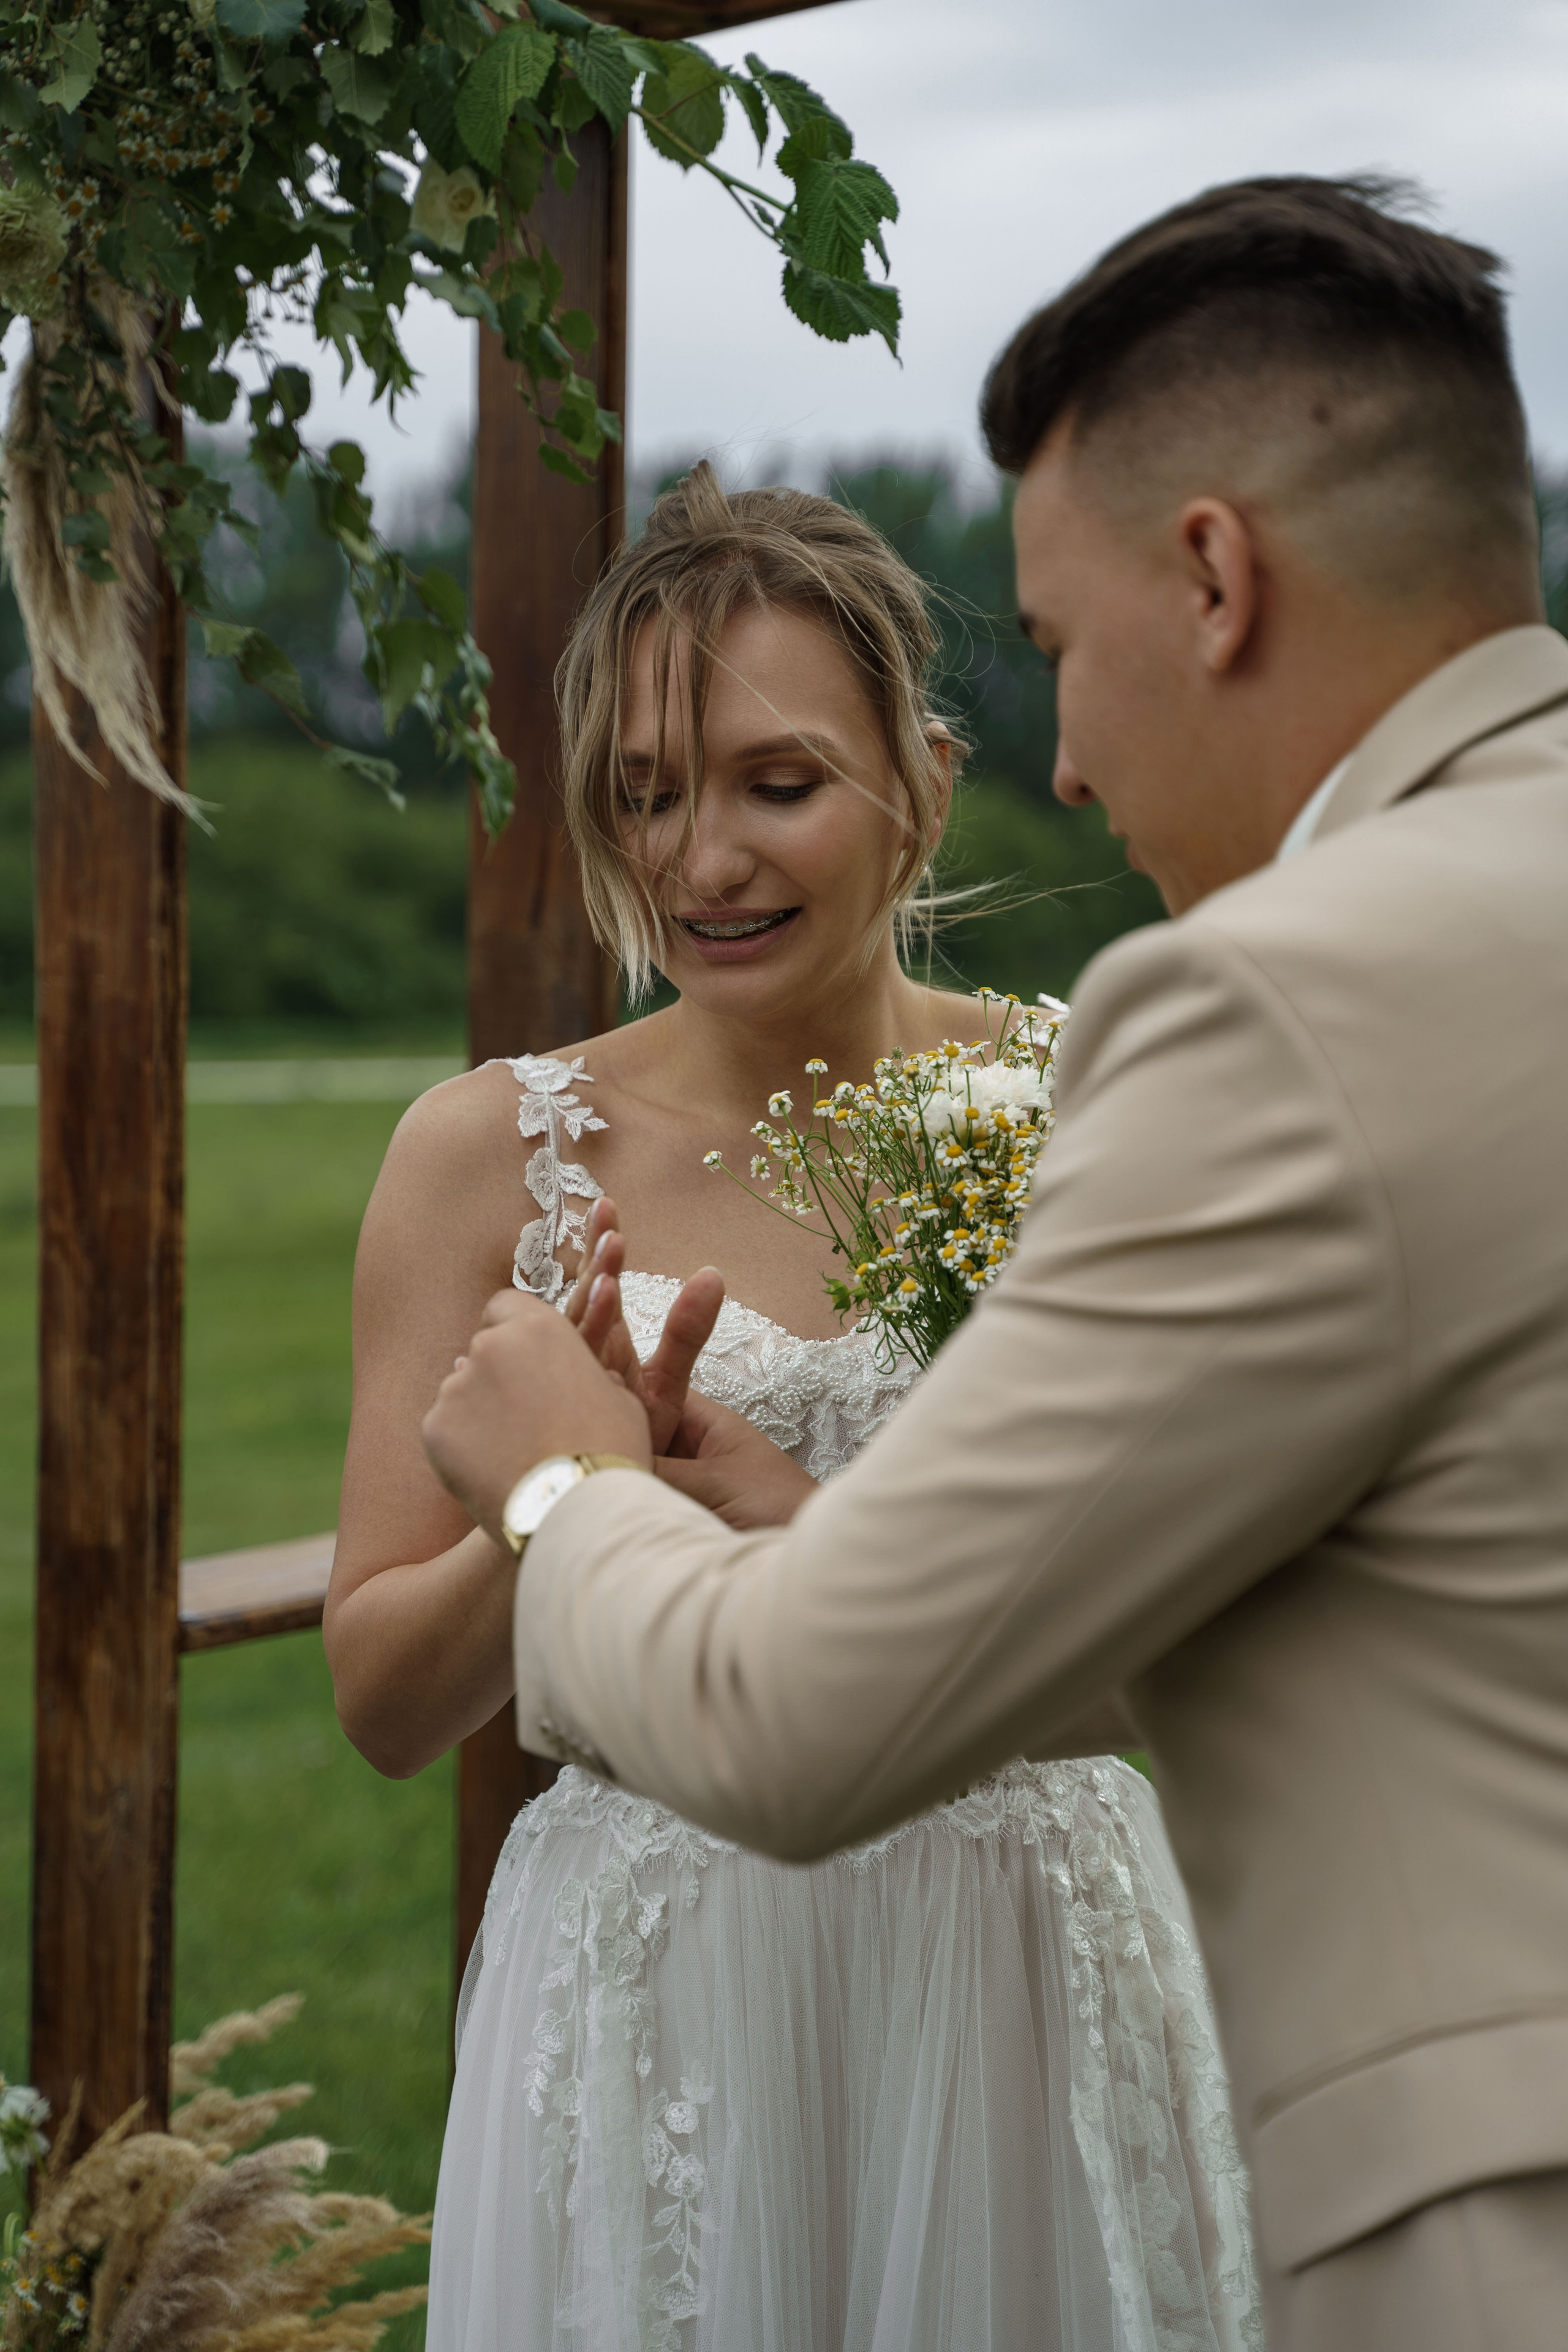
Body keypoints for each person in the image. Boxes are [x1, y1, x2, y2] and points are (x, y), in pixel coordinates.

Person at [424, 176, 1568, 2352]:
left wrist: (567, 1489)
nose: (1061, 755)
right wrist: (835, 1523)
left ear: (1214, 577)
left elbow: (797, 1719)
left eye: (1053, 644)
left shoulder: (1266, 1010)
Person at [326, 468, 1259, 2350]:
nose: (702, 863)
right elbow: (382, 1706)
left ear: (916, 777)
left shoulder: (1095, 1106)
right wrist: (563, 1500)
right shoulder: (485, 1159)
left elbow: (1203, 1632)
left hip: (1027, 1957)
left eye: (775, 782)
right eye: (647, 796)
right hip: (665, 1976)